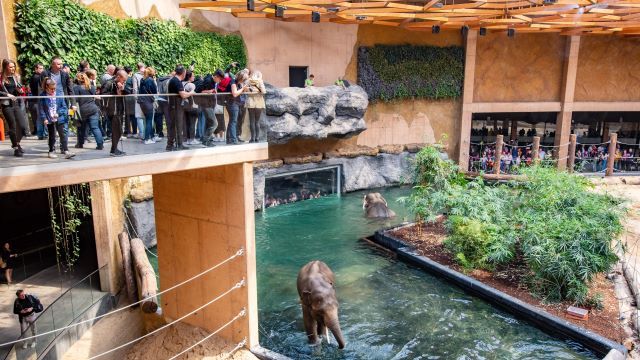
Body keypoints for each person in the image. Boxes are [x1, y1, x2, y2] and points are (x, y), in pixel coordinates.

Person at [39, 77, 75, 159]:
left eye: (54, 88)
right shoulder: (43, 96)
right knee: (52, 135)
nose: (53, 90)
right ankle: (51, 150)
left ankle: (66, 150)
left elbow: (64, 107)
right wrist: (44, 118)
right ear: (46, 87)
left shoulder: (59, 94)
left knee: (63, 134)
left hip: (60, 118)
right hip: (49, 118)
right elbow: (41, 109)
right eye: (51, 89)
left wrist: (58, 113)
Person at [0, 59, 29, 157]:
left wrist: (20, 91)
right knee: (12, 126)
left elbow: (20, 91)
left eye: (14, 67)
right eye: (11, 67)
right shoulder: (1, 78)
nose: (13, 69)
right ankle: (16, 147)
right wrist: (6, 94)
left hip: (16, 104)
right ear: (5, 67)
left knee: (23, 126)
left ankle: (16, 142)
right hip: (6, 105)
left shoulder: (16, 77)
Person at [71, 72, 104, 150]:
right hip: (93, 109)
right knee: (95, 128)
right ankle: (100, 145)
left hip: (83, 110)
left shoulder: (76, 88)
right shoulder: (91, 87)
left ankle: (80, 144)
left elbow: (75, 100)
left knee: (81, 128)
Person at [167, 65, 194, 151]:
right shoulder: (177, 81)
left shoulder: (174, 80)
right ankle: (175, 145)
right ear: (183, 73)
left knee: (175, 125)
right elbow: (183, 95)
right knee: (177, 125)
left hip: (174, 106)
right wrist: (191, 93)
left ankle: (175, 144)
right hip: (176, 106)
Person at [101, 70, 127, 156]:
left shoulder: (121, 84)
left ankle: (114, 149)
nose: (124, 82)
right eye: (123, 80)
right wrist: (116, 92)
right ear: (118, 77)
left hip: (120, 109)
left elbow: (128, 92)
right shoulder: (109, 83)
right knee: (117, 130)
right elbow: (103, 94)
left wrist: (123, 89)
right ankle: (113, 150)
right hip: (112, 110)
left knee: (119, 130)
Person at [227, 71, 249, 145]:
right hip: (232, 103)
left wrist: (244, 88)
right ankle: (233, 139)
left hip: (235, 103)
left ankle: (229, 139)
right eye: (244, 79)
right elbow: (235, 93)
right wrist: (243, 89)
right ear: (241, 78)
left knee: (232, 121)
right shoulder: (233, 81)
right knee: (233, 121)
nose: (244, 81)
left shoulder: (237, 82)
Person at [138, 67, 158, 144]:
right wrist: (155, 82)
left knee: (147, 119)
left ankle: (152, 137)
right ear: (151, 73)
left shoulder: (142, 80)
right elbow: (155, 91)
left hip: (142, 101)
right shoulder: (151, 80)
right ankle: (147, 139)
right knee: (149, 120)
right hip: (148, 101)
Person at [246, 70, 266, 143]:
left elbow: (245, 90)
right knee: (257, 121)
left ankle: (252, 138)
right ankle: (257, 138)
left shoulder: (248, 81)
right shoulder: (260, 81)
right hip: (259, 102)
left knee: (251, 120)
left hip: (250, 101)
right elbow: (264, 91)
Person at [212, 69, 231, 143]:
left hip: (219, 104)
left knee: (221, 120)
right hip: (213, 103)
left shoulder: (221, 84)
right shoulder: (213, 83)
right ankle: (216, 136)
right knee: (215, 120)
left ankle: (221, 136)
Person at [28, 63, 45, 137]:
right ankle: (40, 133)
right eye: (40, 68)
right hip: (38, 100)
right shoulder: (36, 77)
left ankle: (38, 132)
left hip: (36, 100)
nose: (42, 70)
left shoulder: (34, 77)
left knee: (38, 117)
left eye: (42, 68)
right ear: (35, 69)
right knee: (40, 117)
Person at [132, 62, 146, 141]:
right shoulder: (147, 73)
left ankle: (142, 134)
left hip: (139, 98)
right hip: (148, 98)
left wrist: (136, 98)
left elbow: (135, 88)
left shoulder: (135, 75)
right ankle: (148, 134)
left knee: (139, 116)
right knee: (147, 116)